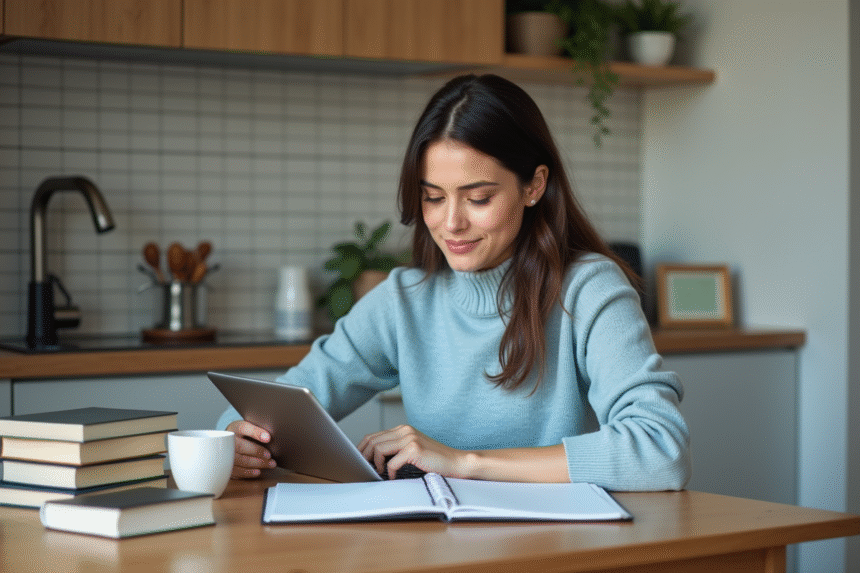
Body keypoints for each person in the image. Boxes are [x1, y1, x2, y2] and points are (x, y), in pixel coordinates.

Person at [217, 74, 690, 491]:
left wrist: (464, 463)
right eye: (433, 198)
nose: (451, 223)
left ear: (534, 186)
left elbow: (659, 451)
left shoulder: (589, 290)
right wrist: (238, 439)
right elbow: (279, 407)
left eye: (479, 198)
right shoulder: (404, 301)